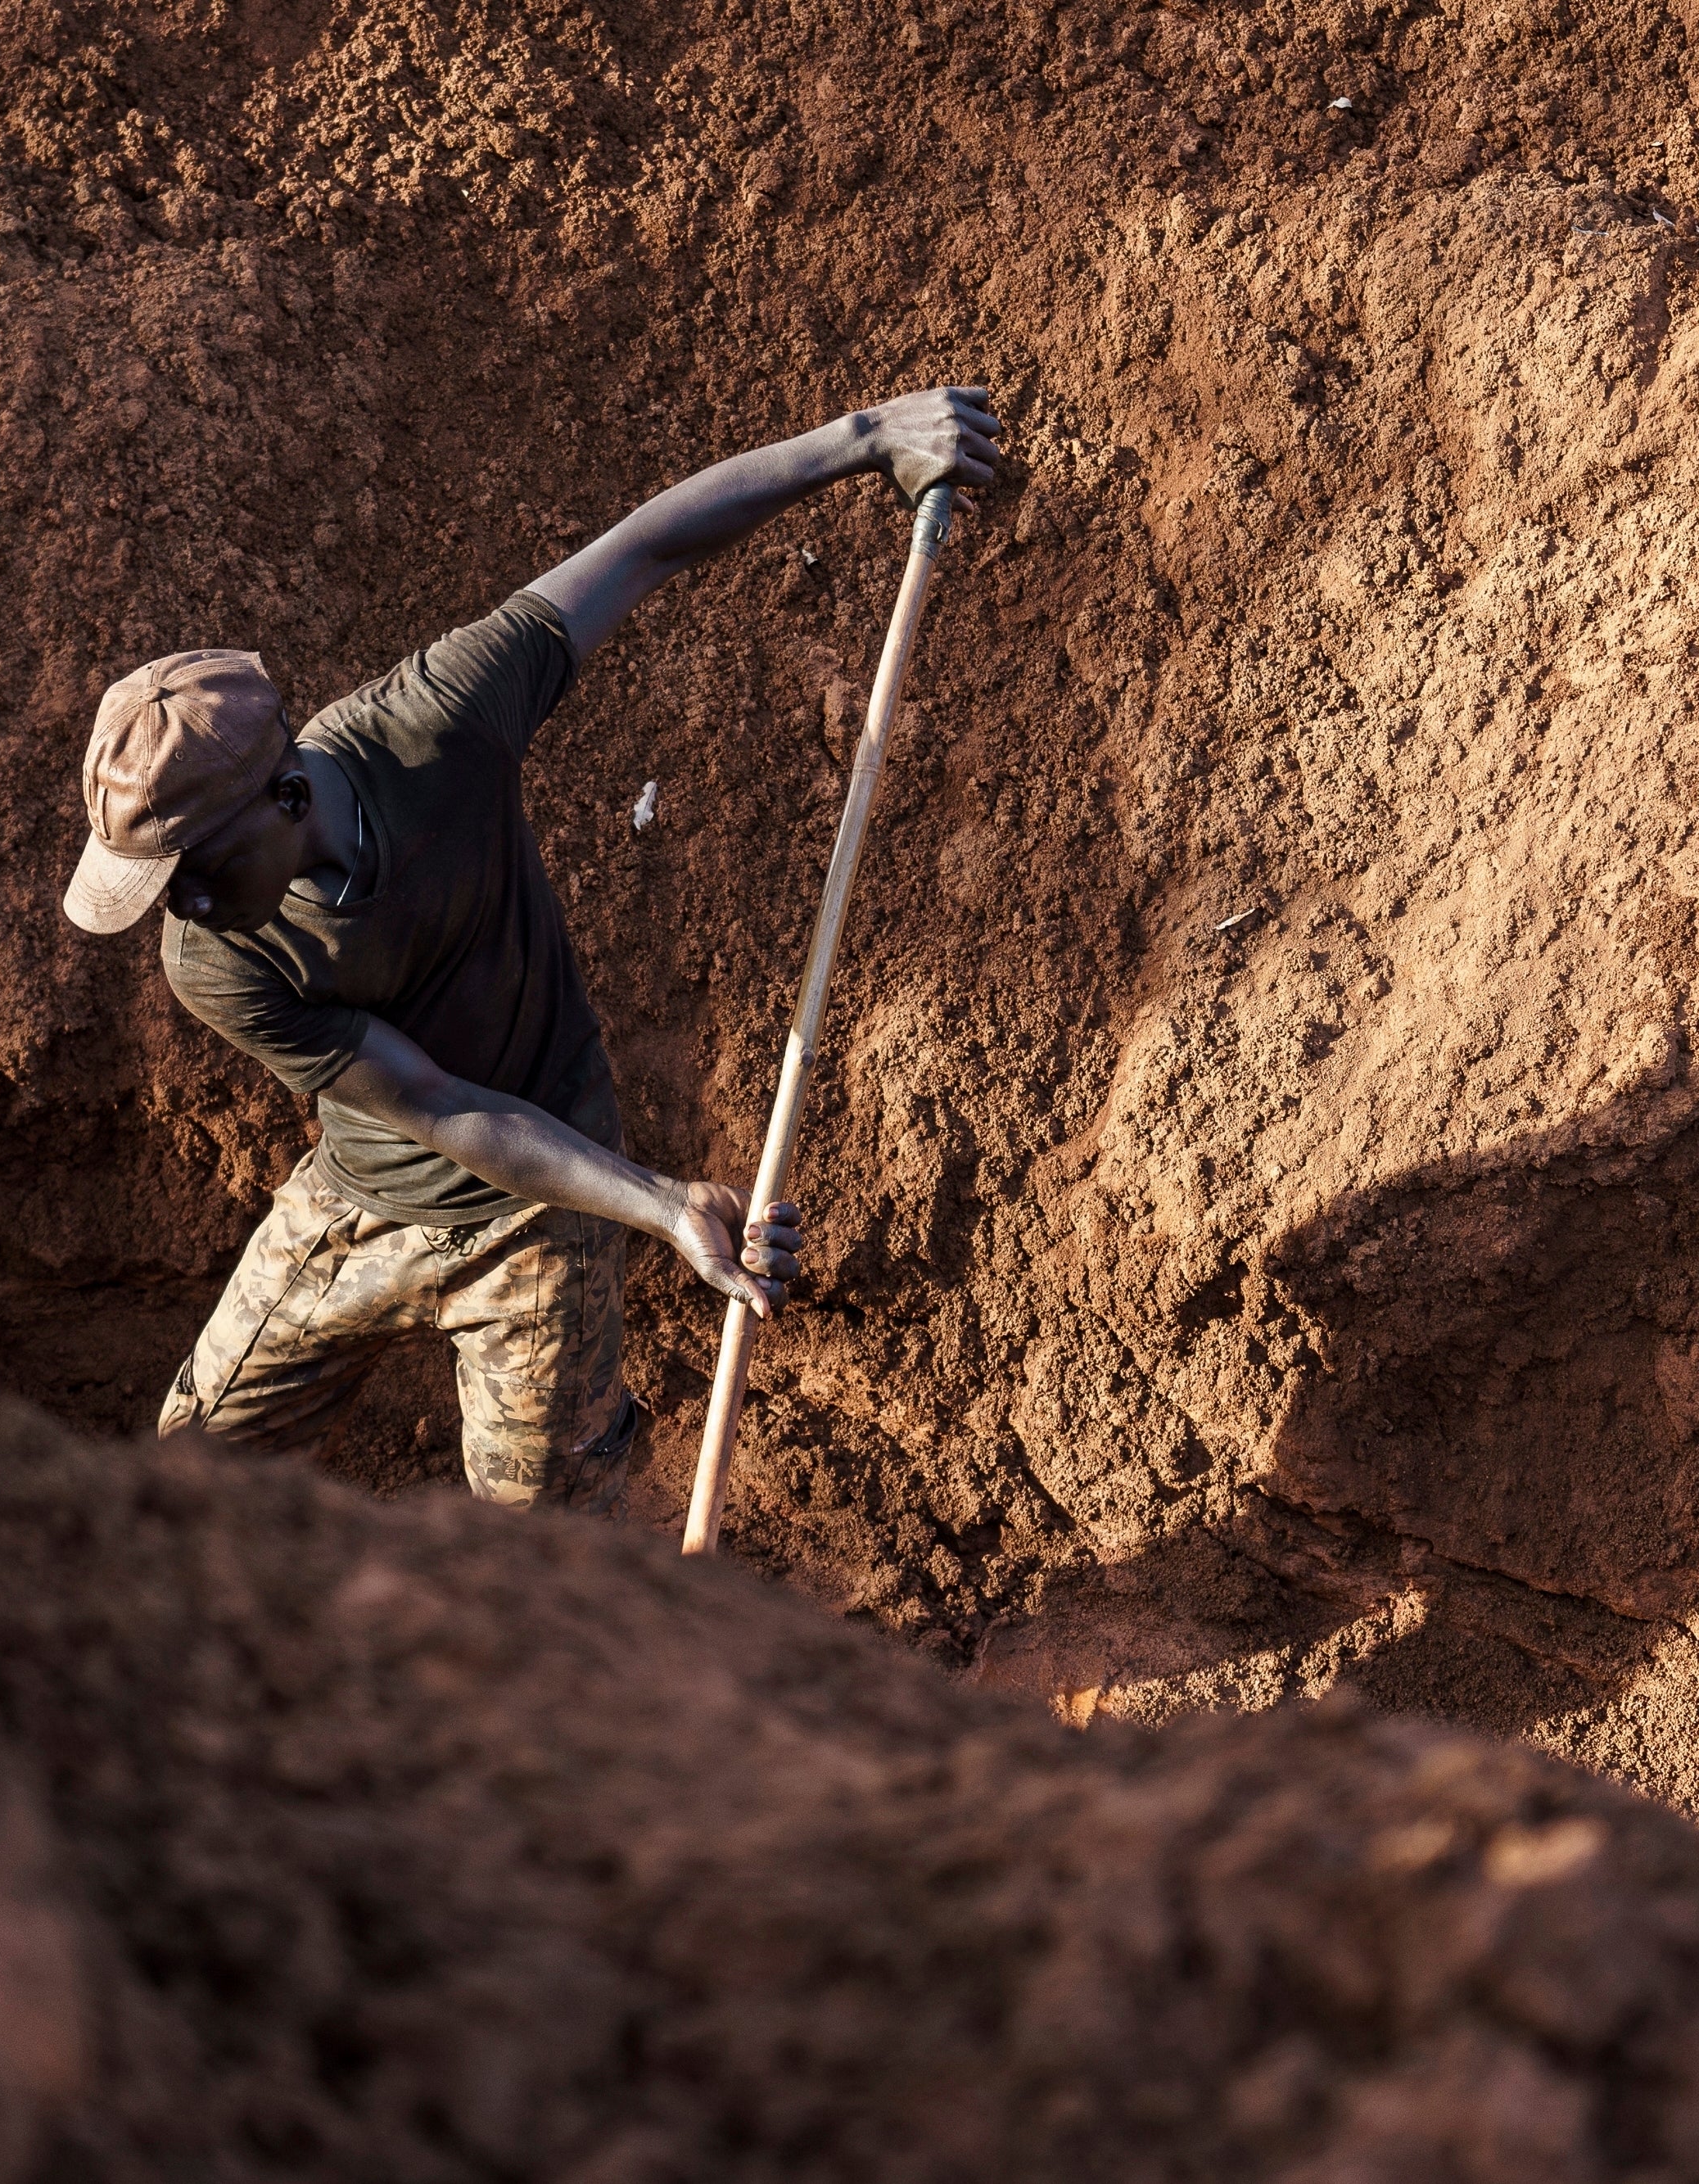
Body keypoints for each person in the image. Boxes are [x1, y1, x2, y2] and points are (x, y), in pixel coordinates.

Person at [59, 387, 1005, 1512]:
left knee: (545, 1560)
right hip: (356, 1208)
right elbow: (434, 1100)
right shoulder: (212, 960)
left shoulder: (436, 725)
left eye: (197, 872)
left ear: (285, 794)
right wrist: (661, 1203)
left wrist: (861, 442)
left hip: (544, 1210)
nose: (188, 912)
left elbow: (642, 547)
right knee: (176, 1494)